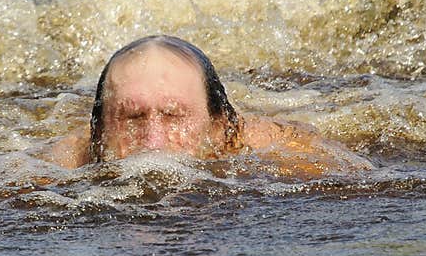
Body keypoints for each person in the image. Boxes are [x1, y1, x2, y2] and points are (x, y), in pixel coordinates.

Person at [46, 35, 370, 176]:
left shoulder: (280, 153)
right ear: (99, 133)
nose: (153, 142)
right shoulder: (61, 165)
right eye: (132, 117)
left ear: (220, 129)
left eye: (174, 116)